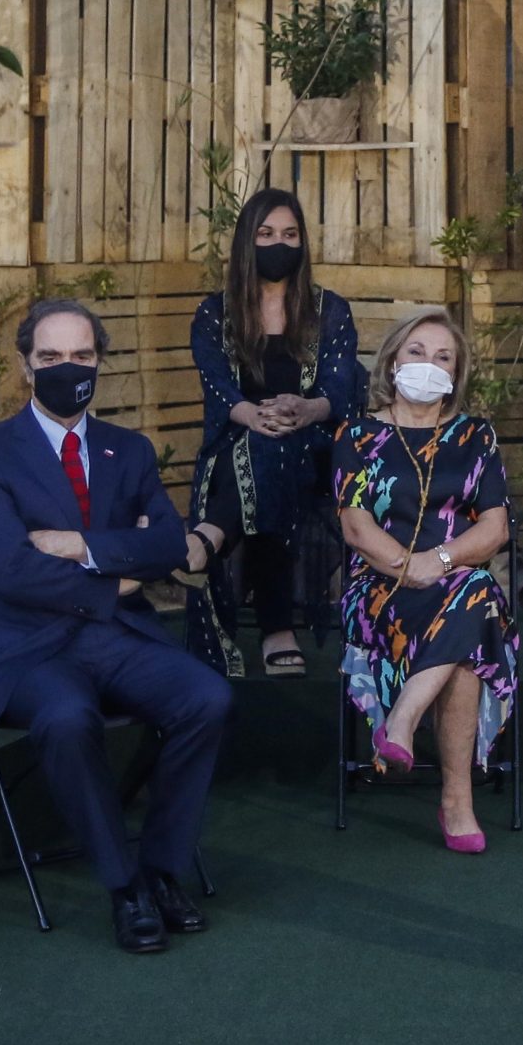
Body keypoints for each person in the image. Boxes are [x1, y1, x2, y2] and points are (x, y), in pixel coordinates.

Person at [0, 299, 234, 954]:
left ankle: (162, 869)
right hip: (24, 648)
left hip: (112, 636)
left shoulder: (127, 449)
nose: (67, 368)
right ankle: (124, 886)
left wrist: (78, 546)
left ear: (99, 362)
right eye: (50, 357)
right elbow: (12, 570)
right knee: (66, 717)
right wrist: (116, 566)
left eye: (81, 355)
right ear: (26, 365)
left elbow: (168, 543)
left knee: (208, 698)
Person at [335, 307, 518, 852]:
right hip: (378, 593)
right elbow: (355, 522)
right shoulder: (358, 433)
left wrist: (435, 563)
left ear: (456, 372)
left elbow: (495, 527)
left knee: (473, 594)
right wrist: (405, 567)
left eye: (443, 357)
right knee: (475, 606)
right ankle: (455, 802)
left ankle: (402, 721)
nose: (428, 364)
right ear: (392, 360)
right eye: (416, 352)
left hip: (455, 583)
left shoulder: (475, 436)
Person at [181, 188, 362, 679]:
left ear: (303, 243)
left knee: (274, 455)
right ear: (246, 243)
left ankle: (207, 538)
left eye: (289, 234)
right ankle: (276, 628)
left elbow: (339, 390)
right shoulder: (214, 314)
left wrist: (306, 409)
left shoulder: (330, 310)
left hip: (318, 447)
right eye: (265, 234)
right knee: (265, 456)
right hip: (237, 438)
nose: (278, 244)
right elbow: (216, 387)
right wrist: (252, 415)